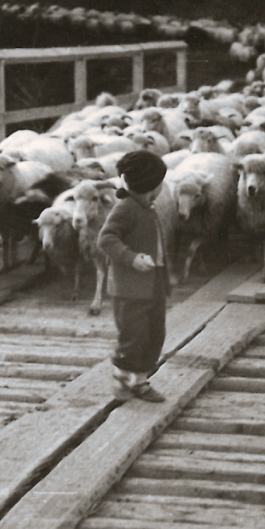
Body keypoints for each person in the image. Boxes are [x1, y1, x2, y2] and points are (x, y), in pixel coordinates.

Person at [98, 149, 171, 403]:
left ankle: (140, 381)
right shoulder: (126, 208)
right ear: (150, 184)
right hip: (129, 288)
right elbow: (106, 238)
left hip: (153, 284)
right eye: (160, 182)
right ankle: (122, 377)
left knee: (154, 334)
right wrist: (131, 258)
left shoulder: (146, 207)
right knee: (134, 335)